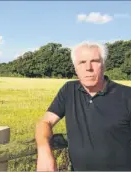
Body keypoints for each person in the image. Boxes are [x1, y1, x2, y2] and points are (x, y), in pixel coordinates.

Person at [35, 41, 131, 171]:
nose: (88, 68)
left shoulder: (126, 95)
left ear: (104, 65)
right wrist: (44, 151)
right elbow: (45, 122)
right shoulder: (69, 90)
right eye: (82, 62)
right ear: (75, 68)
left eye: (95, 61)